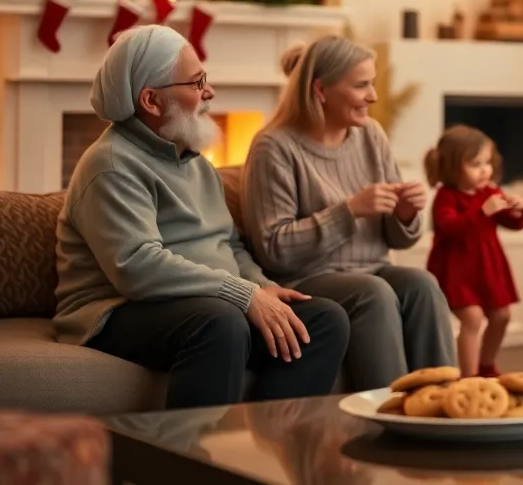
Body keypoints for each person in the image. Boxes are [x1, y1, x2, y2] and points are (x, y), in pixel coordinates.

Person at [54, 25, 348, 409]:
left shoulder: (193, 160)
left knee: (324, 320)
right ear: (151, 100)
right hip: (114, 311)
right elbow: (137, 266)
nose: (209, 93)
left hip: (204, 304)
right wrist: (243, 295)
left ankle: (269, 445)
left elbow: (228, 243)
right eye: (196, 83)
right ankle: (191, 459)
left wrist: (260, 286)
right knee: (219, 323)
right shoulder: (110, 164)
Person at [241, 36, 456, 391]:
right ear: (321, 90)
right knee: (373, 292)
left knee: (423, 285)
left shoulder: (371, 134)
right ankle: (391, 413)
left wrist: (404, 214)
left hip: (372, 266)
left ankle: (446, 402)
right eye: (361, 85)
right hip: (305, 277)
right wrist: (350, 211)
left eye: (372, 84)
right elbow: (272, 248)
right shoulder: (275, 146)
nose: (373, 96)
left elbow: (398, 236)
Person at [424, 125, 523, 378]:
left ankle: (486, 365)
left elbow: (513, 223)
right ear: (451, 167)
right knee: (472, 319)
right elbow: (449, 228)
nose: (485, 170)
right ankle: (469, 378)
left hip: (487, 266)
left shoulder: (489, 191)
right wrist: (482, 211)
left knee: (502, 315)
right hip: (456, 269)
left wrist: (520, 208)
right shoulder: (446, 197)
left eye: (487, 162)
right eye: (475, 164)